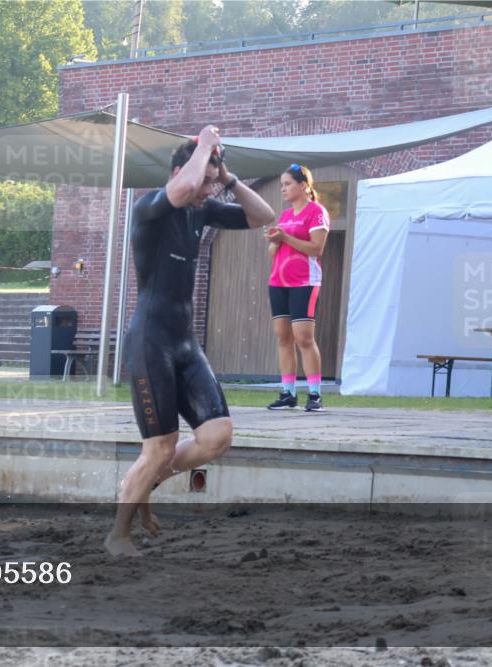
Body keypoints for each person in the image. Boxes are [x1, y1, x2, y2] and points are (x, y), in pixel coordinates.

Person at [105, 126, 276, 557]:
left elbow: (263, 217)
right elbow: (180, 192)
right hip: (150, 343)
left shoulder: (202, 209)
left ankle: (144, 484)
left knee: (217, 436)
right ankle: (118, 535)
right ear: (182, 171)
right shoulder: (151, 208)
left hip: (185, 344)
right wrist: (203, 146)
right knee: (160, 447)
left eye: (209, 184)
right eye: (202, 181)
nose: (206, 191)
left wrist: (228, 179)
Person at [264, 163, 329, 412]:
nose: (283, 188)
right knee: (283, 337)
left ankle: (314, 394)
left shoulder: (316, 211)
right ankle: (287, 393)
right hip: (278, 281)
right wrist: (274, 241)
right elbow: (273, 251)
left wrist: (285, 238)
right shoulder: (285, 216)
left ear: (303, 185)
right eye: (282, 184)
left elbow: (316, 248)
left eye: (288, 184)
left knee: (304, 337)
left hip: (305, 282)